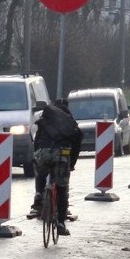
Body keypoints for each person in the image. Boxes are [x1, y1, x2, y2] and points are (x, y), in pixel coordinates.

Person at [28, 99, 83, 236]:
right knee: (62, 188)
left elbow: (37, 142)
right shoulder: (70, 124)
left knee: (40, 171)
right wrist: (71, 164)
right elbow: (76, 145)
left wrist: (37, 155)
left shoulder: (45, 119)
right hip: (62, 154)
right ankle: (60, 223)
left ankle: (39, 194)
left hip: (43, 152)